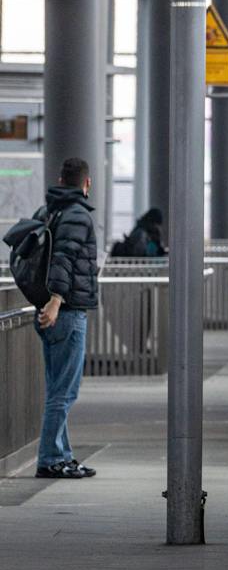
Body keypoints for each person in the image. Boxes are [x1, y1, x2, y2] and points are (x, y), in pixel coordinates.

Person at [26, 159, 99, 478]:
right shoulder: (78, 214)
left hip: (49, 309)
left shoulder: (48, 212)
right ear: (87, 183)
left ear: (60, 180)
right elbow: (63, 258)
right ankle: (50, 459)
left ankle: (63, 454)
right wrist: (56, 301)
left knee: (59, 389)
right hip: (64, 312)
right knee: (64, 392)